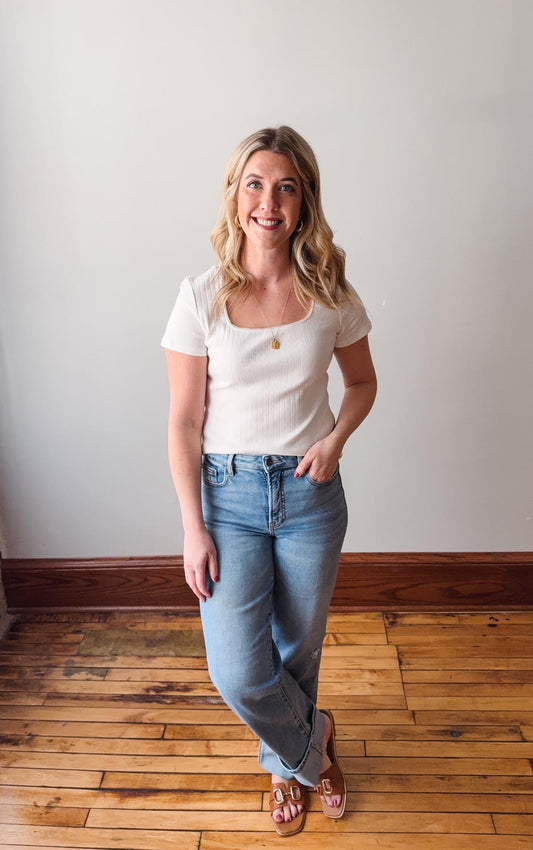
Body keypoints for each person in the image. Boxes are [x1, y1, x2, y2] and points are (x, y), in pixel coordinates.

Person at [162, 126, 377, 837]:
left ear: (304, 200)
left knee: (298, 649)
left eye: (286, 186)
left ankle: (285, 772)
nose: (269, 200)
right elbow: (184, 424)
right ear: (234, 195)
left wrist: (336, 439)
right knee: (237, 669)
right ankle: (311, 744)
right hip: (228, 499)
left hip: (312, 497)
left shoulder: (330, 291)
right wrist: (192, 528)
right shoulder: (199, 298)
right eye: (255, 183)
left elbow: (363, 384)